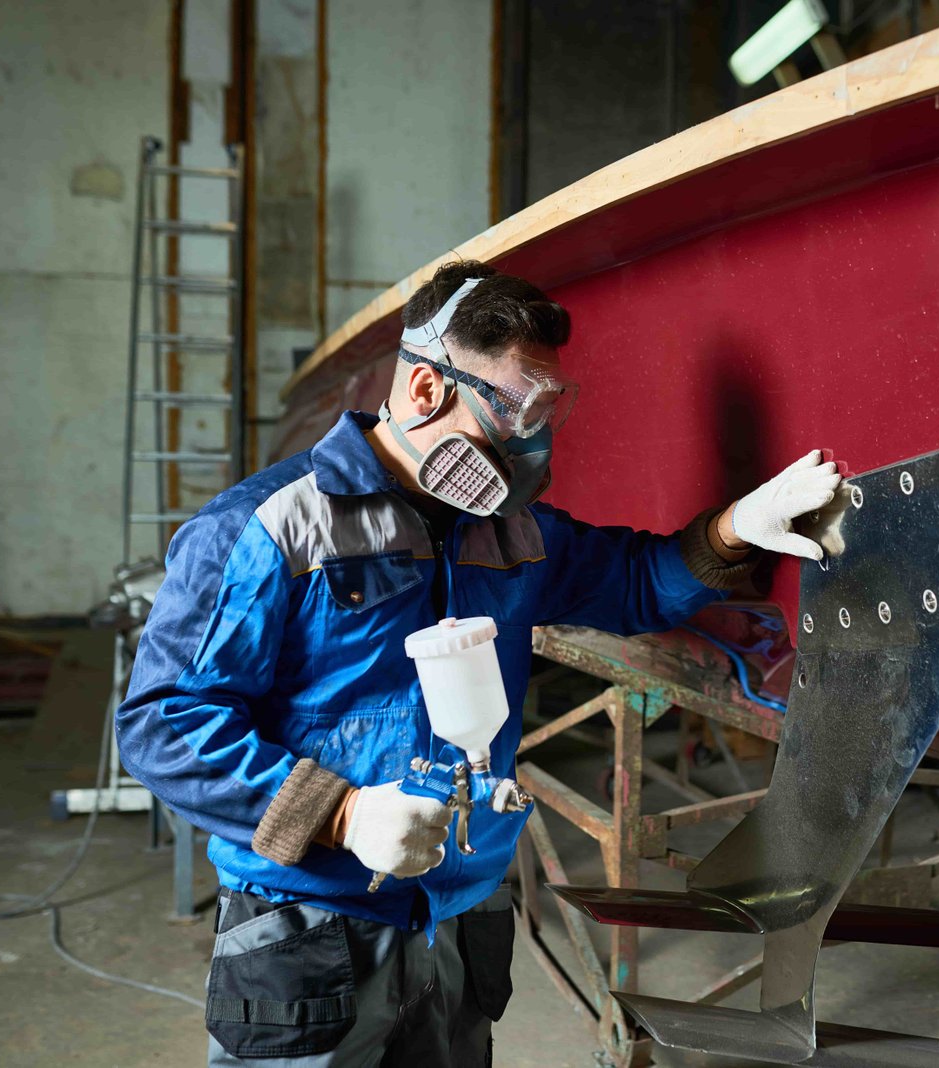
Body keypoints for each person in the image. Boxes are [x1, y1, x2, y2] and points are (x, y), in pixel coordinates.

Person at [115, 260, 839, 1066]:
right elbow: (164, 727)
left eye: (550, 408)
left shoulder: (507, 532)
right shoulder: (268, 527)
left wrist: (737, 526)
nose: (534, 439)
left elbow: (635, 582)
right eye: (518, 407)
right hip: (311, 928)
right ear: (426, 389)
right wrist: (343, 815)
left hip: (456, 918)